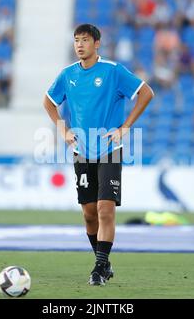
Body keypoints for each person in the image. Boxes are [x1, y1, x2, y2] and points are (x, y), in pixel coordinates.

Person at [43, 24, 154, 286]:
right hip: (82, 153)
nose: (79, 45)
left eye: (84, 40)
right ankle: (104, 262)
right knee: (89, 214)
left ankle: (98, 268)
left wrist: (125, 127)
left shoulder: (113, 71)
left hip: (109, 150)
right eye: (76, 40)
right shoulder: (67, 75)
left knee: (105, 210)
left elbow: (146, 93)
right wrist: (63, 129)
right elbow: (48, 101)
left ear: (97, 44)